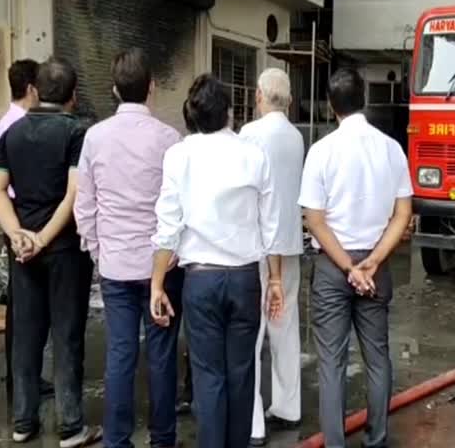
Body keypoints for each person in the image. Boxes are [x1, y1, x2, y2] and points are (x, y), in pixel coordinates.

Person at [149, 74, 284, 448]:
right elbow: (269, 225)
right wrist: (275, 280)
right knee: (242, 374)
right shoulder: (254, 155)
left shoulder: (179, 155)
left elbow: (168, 227)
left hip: (201, 281)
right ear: (228, 112)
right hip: (244, 279)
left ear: (192, 115)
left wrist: (157, 283)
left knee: (208, 378)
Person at [0, 57, 102, 446]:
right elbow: (74, 193)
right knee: (67, 335)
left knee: (26, 336)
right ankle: (71, 426)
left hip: (23, 252)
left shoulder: (13, 133)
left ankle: (24, 421)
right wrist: (44, 237)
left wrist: (18, 233)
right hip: (65, 250)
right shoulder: (77, 133)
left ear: (36, 90)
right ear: (72, 95)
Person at [74, 48, 184, 448]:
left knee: (120, 355)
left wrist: (97, 250)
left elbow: (84, 205)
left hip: (117, 266)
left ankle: (117, 440)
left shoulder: (94, 137)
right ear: (151, 88)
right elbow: (178, 206)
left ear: (115, 90)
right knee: (161, 353)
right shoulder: (169, 139)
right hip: (162, 267)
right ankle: (163, 438)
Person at [299, 68, 413, 448]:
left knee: (331, 364)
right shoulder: (391, 149)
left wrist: (349, 266)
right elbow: (402, 214)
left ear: (332, 106)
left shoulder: (321, 151)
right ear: (363, 98)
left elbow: (314, 220)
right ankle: (377, 439)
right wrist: (373, 262)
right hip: (375, 269)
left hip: (334, 268)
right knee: (377, 358)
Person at [240, 69, 305, 447]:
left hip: (258, 246)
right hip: (290, 245)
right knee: (285, 325)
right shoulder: (296, 137)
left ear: (258, 95)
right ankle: (288, 406)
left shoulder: (250, 134)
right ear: (290, 100)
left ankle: (253, 424)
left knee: (252, 331)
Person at [0, 59, 54, 400]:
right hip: (21, 219)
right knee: (25, 305)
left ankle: (25, 377)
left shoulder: (8, 122)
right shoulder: (17, 126)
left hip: (17, 218)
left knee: (27, 302)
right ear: (32, 89)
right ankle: (22, 379)